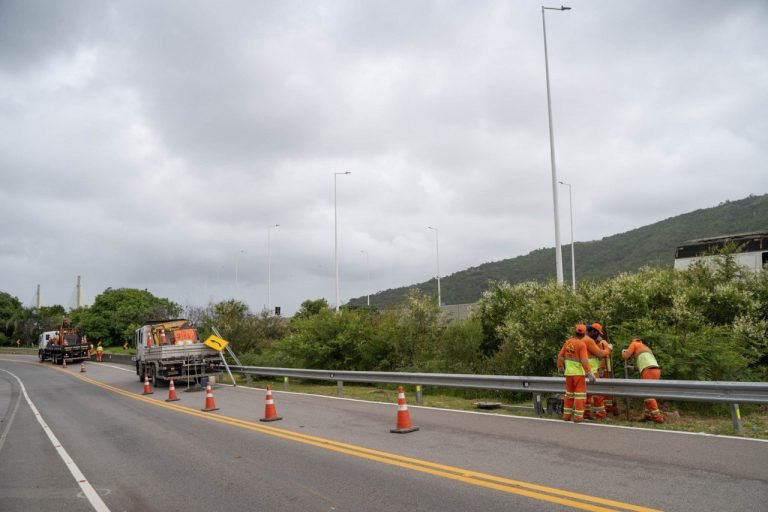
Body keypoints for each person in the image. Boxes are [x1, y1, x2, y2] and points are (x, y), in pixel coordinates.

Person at [557, 324, 597, 423]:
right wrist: (589, 373)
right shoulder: (581, 345)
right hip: (578, 374)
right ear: (584, 334)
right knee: (580, 396)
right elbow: (584, 361)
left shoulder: (568, 342)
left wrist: (560, 366)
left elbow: (560, 356)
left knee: (569, 395)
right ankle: (578, 417)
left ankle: (566, 416)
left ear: (575, 332)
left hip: (568, 373)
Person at [622, 338, 664, 423]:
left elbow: (625, 356)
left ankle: (657, 417)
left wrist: (623, 352)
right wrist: (633, 368)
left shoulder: (634, 344)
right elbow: (645, 363)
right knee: (647, 393)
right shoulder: (645, 347)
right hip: (655, 370)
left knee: (648, 395)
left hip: (648, 371)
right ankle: (648, 415)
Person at [589, 323, 619, 416]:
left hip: (605, 369)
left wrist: (601, 368)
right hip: (602, 369)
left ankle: (608, 408)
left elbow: (603, 357)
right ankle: (608, 407)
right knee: (605, 390)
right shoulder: (600, 343)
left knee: (605, 390)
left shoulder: (602, 343)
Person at [584, 324, 612, 420]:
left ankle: (586, 414)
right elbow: (600, 353)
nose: (599, 336)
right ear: (593, 331)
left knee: (587, 394)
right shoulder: (589, 340)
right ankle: (600, 415)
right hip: (591, 371)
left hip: (583, 371)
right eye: (598, 333)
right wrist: (609, 349)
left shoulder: (582, 339)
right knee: (598, 393)